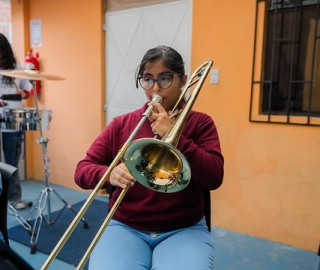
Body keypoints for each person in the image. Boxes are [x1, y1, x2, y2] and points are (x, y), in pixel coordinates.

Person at [74, 45, 224, 270]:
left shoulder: (200, 123)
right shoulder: (122, 124)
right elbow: (82, 170)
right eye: (147, 79)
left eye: (165, 79)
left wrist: (176, 137)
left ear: (183, 81)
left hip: (184, 228)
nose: (155, 88)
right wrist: (110, 174)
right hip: (126, 226)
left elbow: (215, 177)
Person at [0, 33, 33, 210]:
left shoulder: (17, 70)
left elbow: (28, 92)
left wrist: (22, 94)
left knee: (11, 163)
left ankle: (14, 198)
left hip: (12, 125)